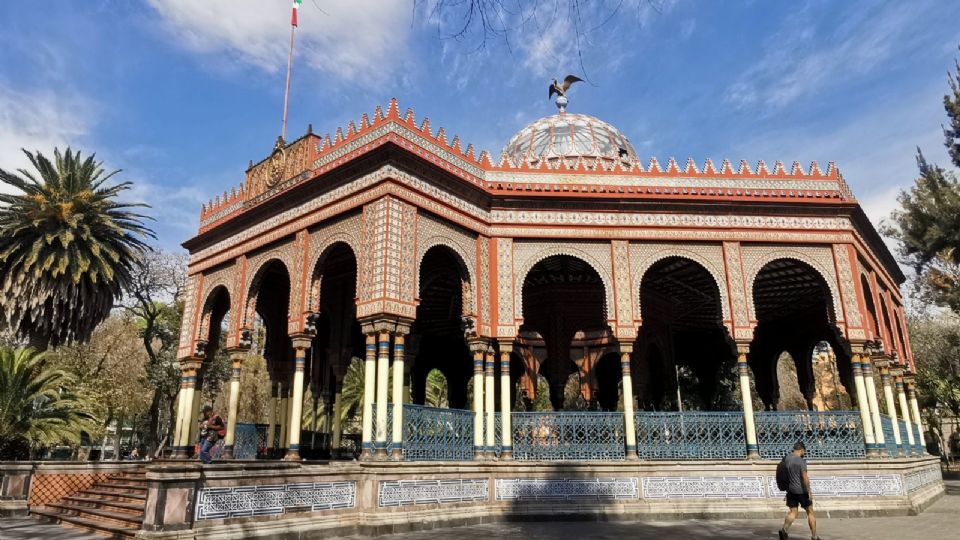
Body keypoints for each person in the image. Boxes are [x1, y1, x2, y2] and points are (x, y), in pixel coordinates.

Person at [779, 441, 819, 540]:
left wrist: (786, 489)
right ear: (801, 450)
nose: (804, 454)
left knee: (793, 512)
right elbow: (805, 478)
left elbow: (783, 475)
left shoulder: (786, 459)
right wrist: (809, 491)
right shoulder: (801, 461)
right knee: (810, 512)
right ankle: (814, 536)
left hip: (791, 490)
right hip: (802, 491)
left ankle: (784, 529)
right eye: (803, 452)